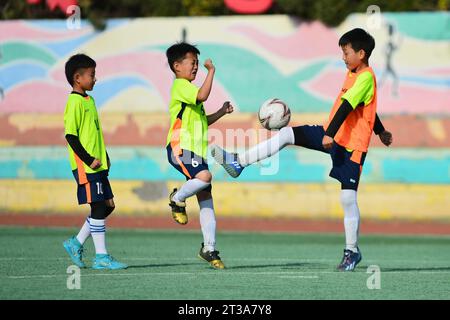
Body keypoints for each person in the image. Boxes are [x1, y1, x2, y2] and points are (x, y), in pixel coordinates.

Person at [212, 28, 393, 271]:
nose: (343, 57)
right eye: (342, 52)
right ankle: (238, 163)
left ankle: (352, 251)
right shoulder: (353, 73)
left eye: (346, 52)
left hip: (351, 146)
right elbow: (366, 106)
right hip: (333, 134)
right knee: (287, 134)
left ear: (361, 53)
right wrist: (380, 131)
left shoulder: (365, 77)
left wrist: (331, 134)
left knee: (347, 197)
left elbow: (349, 107)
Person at [166, 43, 233, 269]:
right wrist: (211, 71)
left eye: (197, 63)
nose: (195, 67)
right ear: (177, 66)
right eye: (192, 62)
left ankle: (209, 248)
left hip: (196, 153)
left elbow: (203, 121)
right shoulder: (181, 86)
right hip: (180, 149)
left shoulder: (189, 94)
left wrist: (222, 112)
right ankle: (177, 198)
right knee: (205, 176)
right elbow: (203, 95)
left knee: (206, 200)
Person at [62, 54, 127, 270]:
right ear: (77, 78)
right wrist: (89, 158)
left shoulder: (90, 100)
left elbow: (94, 134)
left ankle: (76, 242)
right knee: (98, 207)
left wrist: (104, 155)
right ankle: (101, 257)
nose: (95, 79)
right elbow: (71, 136)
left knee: (108, 206)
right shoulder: (74, 102)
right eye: (92, 75)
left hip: (98, 165)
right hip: (86, 166)